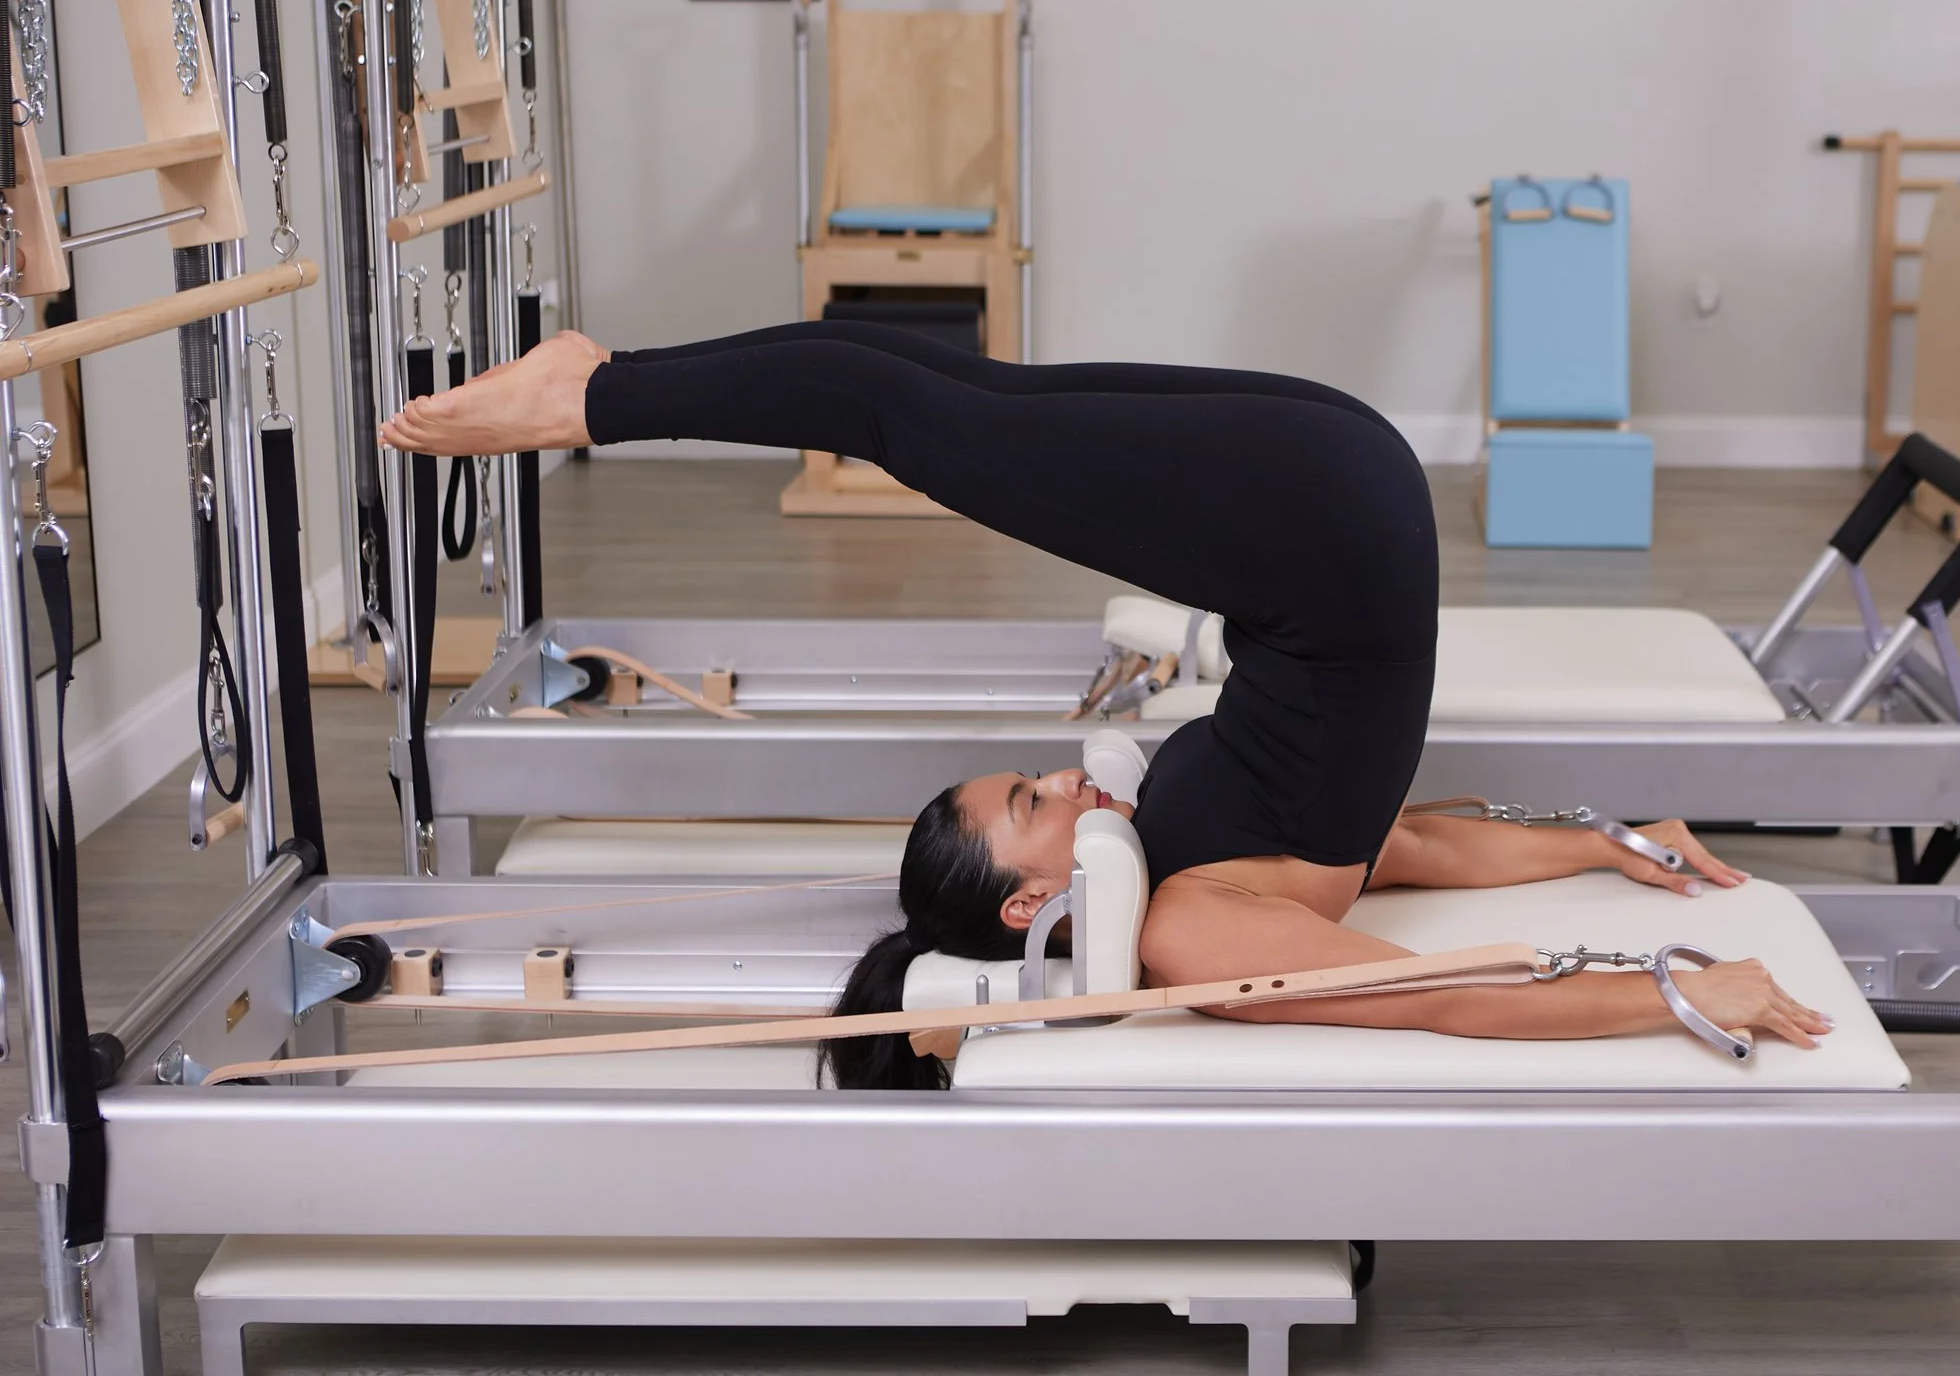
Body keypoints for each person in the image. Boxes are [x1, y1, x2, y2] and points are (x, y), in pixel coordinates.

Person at [382, 323, 1831, 1088]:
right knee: (903, 412)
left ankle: (602, 385)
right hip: (1322, 528)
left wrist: (1609, 841)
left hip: (1331, 501)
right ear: (1029, 903)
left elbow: (1411, 840)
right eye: (1031, 804)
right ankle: (594, 394)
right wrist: (1671, 990)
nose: (1065, 784)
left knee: (928, 378)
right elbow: (1432, 987)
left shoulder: (1165, 850)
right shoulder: (1187, 928)